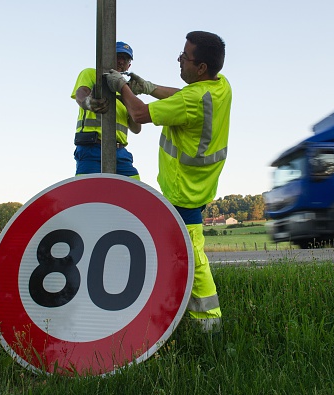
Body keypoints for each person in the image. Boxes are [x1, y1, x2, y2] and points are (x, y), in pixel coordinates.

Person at [104, 31, 231, 332]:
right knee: (172, 250)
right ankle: (166, 307)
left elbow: (138, 113)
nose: (179, 59)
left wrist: (121, 85)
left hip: (182, 190)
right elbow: (180, 96)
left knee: (191, 255)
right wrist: (147, 87)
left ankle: (209, 322)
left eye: (184, 57)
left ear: (200, 68)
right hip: (199, 185)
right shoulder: (220, 86)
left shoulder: (192, 101)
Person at [71, 41, 141, 179]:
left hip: (120, 152)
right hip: (92, 148)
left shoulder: (125, 90)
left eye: (125, 59)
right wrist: (89, 102)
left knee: (135, 194)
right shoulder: (91, 73)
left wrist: (130, 98)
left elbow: (137, 128)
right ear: (107, 56)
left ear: (129, 65)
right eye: (117, 56)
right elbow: (81, 94)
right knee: (90, 195)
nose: (121, 61)